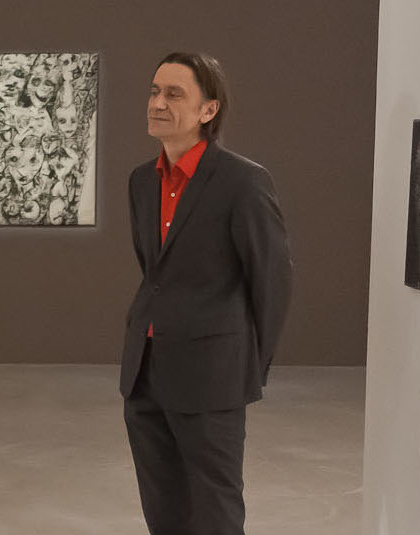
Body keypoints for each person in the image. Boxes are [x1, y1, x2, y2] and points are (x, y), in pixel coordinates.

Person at [121, 52, 293, 535]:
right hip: (144, 370)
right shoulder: (141, 181)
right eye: (155, 91)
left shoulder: (243, 181)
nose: (158, 102)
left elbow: (272, 280)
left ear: (208, 110)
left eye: (174, 94)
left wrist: (245, 366)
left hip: (213, 374)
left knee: (216, 511)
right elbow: (155, 274)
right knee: (163, 509)